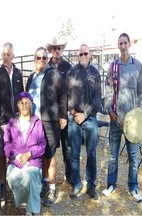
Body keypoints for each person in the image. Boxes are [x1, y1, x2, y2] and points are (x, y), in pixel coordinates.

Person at [102, 33, 142, 203]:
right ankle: (111, 185)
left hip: (133, 123)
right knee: (113, 156)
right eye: (120, 43)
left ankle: (133, 188)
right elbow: (107, 91)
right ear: (118, 45)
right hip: (116, 120)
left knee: (133, 157)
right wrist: (109, 111)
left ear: (129, 44)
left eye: (125, 43)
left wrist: (140, 114)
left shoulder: (138, 66)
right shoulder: (113, 67)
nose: (123, 46)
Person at [26, 47, 67, 207]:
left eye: (44, 57)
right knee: (40, 154)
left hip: (50, 122)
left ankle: (52, 188)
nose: (42, 60)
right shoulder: (31, 77)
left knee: (49, 155)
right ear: (34, 59)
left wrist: (63, 116)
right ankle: (44, 182)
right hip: (34, 122)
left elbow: (63, 95)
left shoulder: (54, 74)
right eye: (39, 57)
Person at [66, 44, 102, 200]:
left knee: (91, 154)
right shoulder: (71, 72)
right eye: (80, 53)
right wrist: (74, 113)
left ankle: (91, 186)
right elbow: (65, 97)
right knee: (74, 154)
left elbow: (98, 99)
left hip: (90, 119)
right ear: (77, 54)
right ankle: (76, 184)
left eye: (85, 53)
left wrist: (85, 114)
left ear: (90, 54)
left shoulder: (95, 73)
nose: (83, 55)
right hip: (74, 119)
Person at [0, 42, 24, 196]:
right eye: (3, 54)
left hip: (17, 121)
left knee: (17, 152)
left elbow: (22, 96)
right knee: (2, 154)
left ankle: (16, 182)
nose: (5, 57)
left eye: (8, 54)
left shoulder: (18, 74)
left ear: (13, 56)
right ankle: (2, 183)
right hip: (3, 122)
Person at [4, 92, 46, 215]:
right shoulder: (11, 122)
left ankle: (32, 210)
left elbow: (42, 145)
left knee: (32, 176)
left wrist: (29, 154)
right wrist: (17, 155)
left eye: (27, 103)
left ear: (31, 105)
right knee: (13, 177)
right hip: (16, 161)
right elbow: (6, 144)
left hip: (33, 160)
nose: (24, 105)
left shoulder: (37, 122)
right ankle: (31, 206)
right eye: (21, 103)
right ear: (18, 105)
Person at [46, 37, 72, 183]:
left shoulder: (68, 67)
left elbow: (70, 90)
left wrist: (67, 111)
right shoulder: (46, 66)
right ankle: (49, 179)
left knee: (66, 147)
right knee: (50, 148)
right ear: (51, 50)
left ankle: (68, 176)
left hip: (64, 113)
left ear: (62, 50)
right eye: (54, 48)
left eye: (59, 48)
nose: (56, 51)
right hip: (50, 114)